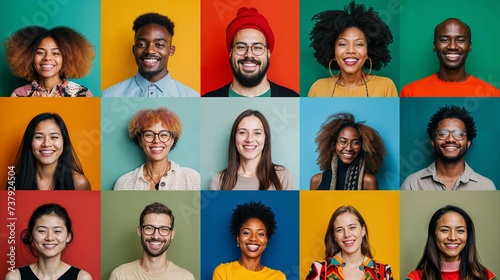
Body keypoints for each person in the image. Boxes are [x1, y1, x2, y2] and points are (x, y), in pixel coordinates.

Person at [308, 1, 397, 97]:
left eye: (359, 44)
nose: (351, 50)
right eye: (342, 44)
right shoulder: (318, 88)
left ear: (368, 51)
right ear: (333, 51)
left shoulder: (386, 86)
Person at [203, 7, 298, 97]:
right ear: (231, 53)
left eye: (257, 47)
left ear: (268, 54)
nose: (249, 54)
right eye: (241, 47)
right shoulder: (205, 103)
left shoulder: (295, 101)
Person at [102, 12, 198, 97]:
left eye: (159, 45)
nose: (149, 50)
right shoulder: (108, 95)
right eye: (141, 44)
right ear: (134, 50)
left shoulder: (192, 97)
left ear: (171, 50)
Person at [401, 105, 496, 190]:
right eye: (443, 134)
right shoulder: (412, 184)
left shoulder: (486, 186)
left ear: (468, 143)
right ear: (433, 142)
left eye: (459, 134)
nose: (450, 139)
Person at [401, 18, 500, 97]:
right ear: (434, 45)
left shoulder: (492, 94)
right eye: (444, 40)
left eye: (460, 40)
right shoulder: (410, 92)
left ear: (470, 46)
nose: (452, 47)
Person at [113, 107, 200, 190]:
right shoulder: (123, 183)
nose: (156, 141)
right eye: (149, 135)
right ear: (140, 141)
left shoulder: (192, 178)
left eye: (163, 135)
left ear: (172, 140)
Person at [406, 205, 497, 280]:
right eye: (445, 230)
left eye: (460, 231)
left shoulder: (485, 276)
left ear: (468, 235)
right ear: (434, 235)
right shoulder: (415, 277)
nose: (453, 237)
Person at [209, 110, 293, 190]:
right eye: (242, 132)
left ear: (265, 138)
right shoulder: (218, 181)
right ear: (234, 138)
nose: (249, 139)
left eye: (257, 133)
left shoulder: (282, 176)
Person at [4, 203, 92, 280]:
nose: (50, 238)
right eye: (42, 231)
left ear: (68, 236)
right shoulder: (15, 277)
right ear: (31, 235)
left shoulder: (82, 278)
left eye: (57, 231)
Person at [109, 202, 194, 279]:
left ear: (172, 234)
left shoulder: (186, 277)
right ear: (139, 231)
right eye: (149, 228)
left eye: (164, 229)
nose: (156, 236)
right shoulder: (119, 275)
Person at [306, 205, 393, 280]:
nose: (347, 234)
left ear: (363, 230)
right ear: (334, 237)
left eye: (352, 227)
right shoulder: (319, 269)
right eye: (339, 230)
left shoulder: (384, 272)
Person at [4, 26, 94, 97]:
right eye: (40, 52)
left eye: (55, 53)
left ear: (66, 58)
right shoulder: (19, 94)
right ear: (29, 57)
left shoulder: (82, 94)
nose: (47, 58)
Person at [8, 113, 90, 190]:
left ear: (64, 142)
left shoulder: (80, 183)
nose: (46, 144)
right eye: (39, 137)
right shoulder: (14, 182)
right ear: (29, 141)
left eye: (54, 137)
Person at [310, 113, 385, 190]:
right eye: (343, 142)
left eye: (355, 143)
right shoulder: (317, 181)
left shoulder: (368, 181)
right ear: (334, 145)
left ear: (363, 146)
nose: (349, 148)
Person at [212, 201, 286, 280]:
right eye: (247, 233)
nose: (253, 238)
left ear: (266, 240)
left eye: (260, 234)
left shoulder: (278, 277)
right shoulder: (223, 272)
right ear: (238, 238)